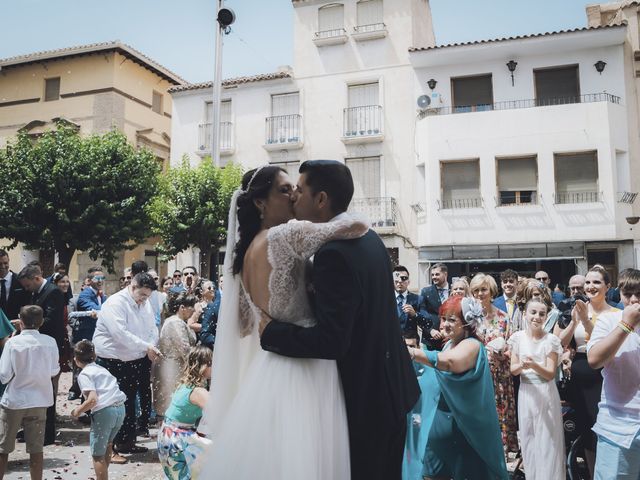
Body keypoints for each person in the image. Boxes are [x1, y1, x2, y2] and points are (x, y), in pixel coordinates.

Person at [204, 162, 419, 480]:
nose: (293, 196)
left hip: (318, 377)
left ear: (320, 199)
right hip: (352, 381)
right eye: (285, 189)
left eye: (297, 189)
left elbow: (244, 325)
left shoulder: (248, 255)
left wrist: (272, 327)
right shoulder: (368, 240)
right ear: (260, 202)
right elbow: (354, 226)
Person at [404, 296, 508, 480]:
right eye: (443, 318)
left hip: (463, 436)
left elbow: (451, 363)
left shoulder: (473, 345)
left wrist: (412, 352)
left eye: (452, 319)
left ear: (467, 322)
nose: (444, 324)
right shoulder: (449, 345)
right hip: (438, 438)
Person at [554, 264, 619, 476]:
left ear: (608, 286)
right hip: (580, 374)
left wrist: (586, 322)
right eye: (588, 282)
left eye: (597, 282)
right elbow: (559, 343)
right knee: (586, 429)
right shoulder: (576, 308)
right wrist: (574, 323)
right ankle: (592, 473)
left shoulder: (616, 313)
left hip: (605, 373)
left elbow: (603, 342)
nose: (590, 286)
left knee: (604, 427)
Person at [92, 272, 161, 458]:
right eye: (142, 295)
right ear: (132, 287)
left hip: (135, 358)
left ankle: (127, 442)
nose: (144, 300)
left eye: (147, 296)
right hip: (112, 361)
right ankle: (109, 448)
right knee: (112, 405)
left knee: (130, 404)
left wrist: (151, 344)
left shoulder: (145, 304)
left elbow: (152, 327)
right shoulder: (115, 303)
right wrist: (146, 346)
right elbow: (120, 334)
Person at [587, 268, 640, 480]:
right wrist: (626, 325)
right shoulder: (609, 320)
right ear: (620, 295)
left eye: (639, 293)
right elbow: (594, 360)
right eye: (628, 294)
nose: (634, 299)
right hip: (617, 427)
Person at [0, 305, 59, 480]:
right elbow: (53, 371)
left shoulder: (13, 343)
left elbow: (4, 376)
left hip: (15, 400)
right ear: (41, 322)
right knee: (36, 450)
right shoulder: (50, 342)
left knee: (3, 448)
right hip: (39, 400)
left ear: (20, 321)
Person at [509, 299, 565, 480]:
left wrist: (534, 365)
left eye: (542, 314)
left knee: (547, 440)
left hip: (545, 392)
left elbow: (550, 373)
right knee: (528, 437)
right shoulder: (518, 338)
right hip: (526, 392)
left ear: (546, 316)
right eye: (533, 312)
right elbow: (513, 369)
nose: (537, 317)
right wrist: (523, 367)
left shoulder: (551, 340)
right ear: (525, 313)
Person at [16, 264, 66, 445]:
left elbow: (52, 320)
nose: (27, 289)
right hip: (35, 344)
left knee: (47, 390)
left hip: (47, 346)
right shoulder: (35, 292)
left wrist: (28, 324)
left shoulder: (54, 292)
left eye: (28, 285)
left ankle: (47, 433)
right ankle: (31, 428)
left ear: (36, 279)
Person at [469, 273, 518, 455]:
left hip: (500, 376)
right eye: (476, 291)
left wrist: (503, 353)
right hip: (478, 374)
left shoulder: (504, 317)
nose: (480, 294)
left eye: (483, 289)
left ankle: (502, 452)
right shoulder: (470, 319)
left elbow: (512, 346)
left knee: (501, 414)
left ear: (491, 291)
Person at [70, 340, 126, 479]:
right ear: (94, 356)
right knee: (108, 445)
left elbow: (92, 399)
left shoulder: (84, 374)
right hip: (120, 408)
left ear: (76, 360)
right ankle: (103, 475)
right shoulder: (102, 369)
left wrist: (77, 411)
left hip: (105, 412)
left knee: (97, 455)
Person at [157, 346, 212, 479]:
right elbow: (219, 412)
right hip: (177, 438)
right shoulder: (199, 391)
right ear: (205, 366)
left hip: (167, 434)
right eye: (213, 363)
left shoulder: (186, 384)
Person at [152, 292, 199, 419]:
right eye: (191, 307)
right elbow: (184, 348)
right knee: (169, 402)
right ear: (182, 307)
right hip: (172, 368)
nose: (194, 310)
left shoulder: (175, 321)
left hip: (175, 366)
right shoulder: (175, 323)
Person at [419, 264, 449, 350]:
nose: (434, 277)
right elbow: (421, 314)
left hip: (451, 340)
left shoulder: (454, 289)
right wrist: (430, 330)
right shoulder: (426, 292)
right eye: (432, 275)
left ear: (445, 274)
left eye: (437, 274)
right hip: (431, 340)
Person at [394, 265, 427, 338]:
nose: (400, 282)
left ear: (408, 281)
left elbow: (427, 322)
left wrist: (415, 315)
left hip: (411, 342)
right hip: (390, 341)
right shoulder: (385, 299)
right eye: (396, 279)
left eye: (403, 278)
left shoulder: (418, 299)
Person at [198, 280, 218, 349]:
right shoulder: (198, 306)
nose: (212, 289)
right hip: (203, 342)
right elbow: (190, 323)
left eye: (214, 288)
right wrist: (205, 326)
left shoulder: (217, 306)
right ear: (201, 292)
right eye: (209, 288)